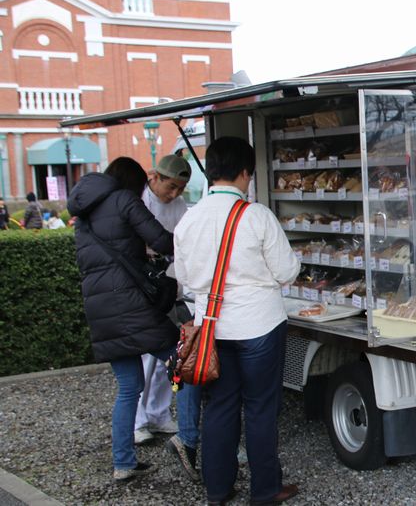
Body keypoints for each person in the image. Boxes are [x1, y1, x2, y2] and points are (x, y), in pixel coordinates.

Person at [174, 137, 301, 505]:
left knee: (218, 406)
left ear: (210, 172)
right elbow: (287, 270)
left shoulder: (187, 221)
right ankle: (264, 490)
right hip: (259, 326)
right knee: (260, 407)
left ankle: (218, 489)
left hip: (211, 329)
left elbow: (183, 277)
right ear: (245, 172)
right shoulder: (257, 215)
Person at [67, 157, 193, 483]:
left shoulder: (83, 217)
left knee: (128, 388)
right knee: (186, 364)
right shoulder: (124, 200)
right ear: (133, 183)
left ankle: (123, 462)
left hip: (103, 316)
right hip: (135, 310)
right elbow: (163, 240)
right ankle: (190, 440)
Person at [133, 154, 202, 483]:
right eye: (170, 186)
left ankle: (159, 414)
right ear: (154, 177)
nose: (173, 194)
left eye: (180, 189)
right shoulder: (139, 201)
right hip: (144, 283)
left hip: (170, 283)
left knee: (170, 355)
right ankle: (138, 421)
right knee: (143, 355)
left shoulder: (179, 207)